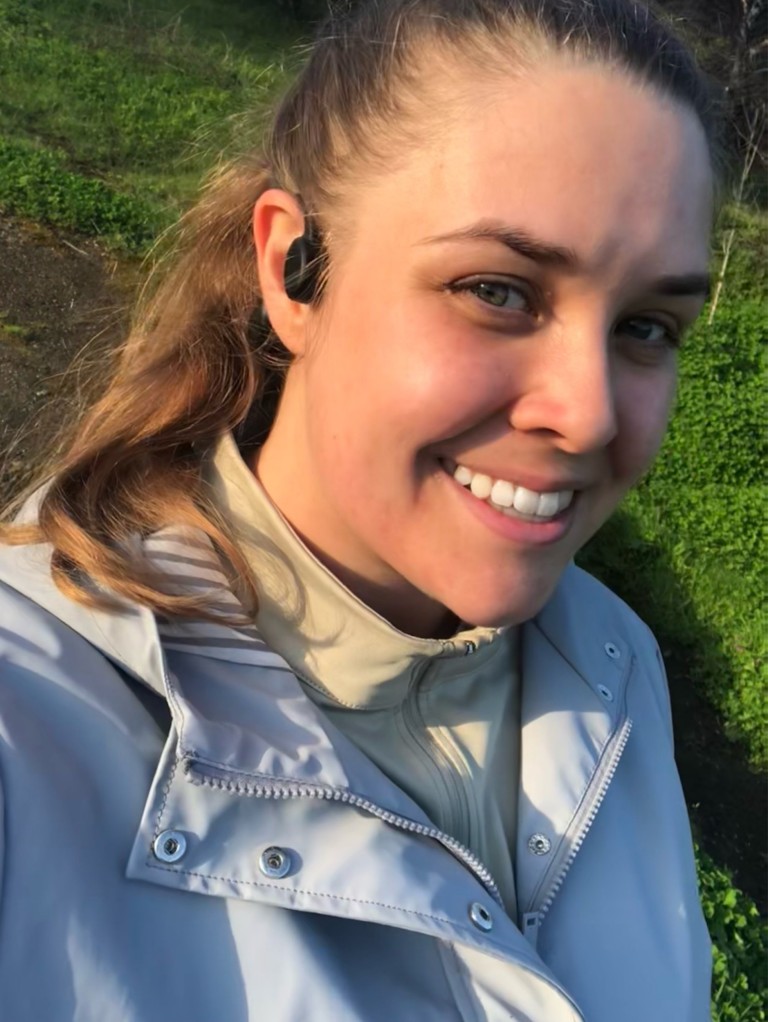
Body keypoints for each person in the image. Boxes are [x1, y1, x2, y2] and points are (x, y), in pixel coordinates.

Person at [0, 1, 721, 1019]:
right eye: (498, 290)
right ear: (294, 270)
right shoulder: (28, 731)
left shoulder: (615, 667)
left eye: (647, 325)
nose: (589, 412)